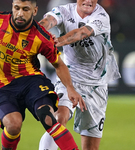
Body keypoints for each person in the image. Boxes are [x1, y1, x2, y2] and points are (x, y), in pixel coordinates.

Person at [0, 0, 87, 150]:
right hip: (2, 85)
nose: (20, 13)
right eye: (17, 8)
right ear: (12, 7)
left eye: (25, 9)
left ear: (34, 11)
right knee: (13, 125)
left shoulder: (41, 36)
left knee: (47, 116)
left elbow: (58, 64)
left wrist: (70, 88)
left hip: (31, 81)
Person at [38, 0, 121, 150]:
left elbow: (82, 32)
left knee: (90, 147)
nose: (88, 1)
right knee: (58, 120)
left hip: (97, 84)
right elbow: (48, 21)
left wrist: (57, 42)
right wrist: (37, 32)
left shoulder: (101, 16)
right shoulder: (63, 11)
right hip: (70, 76)